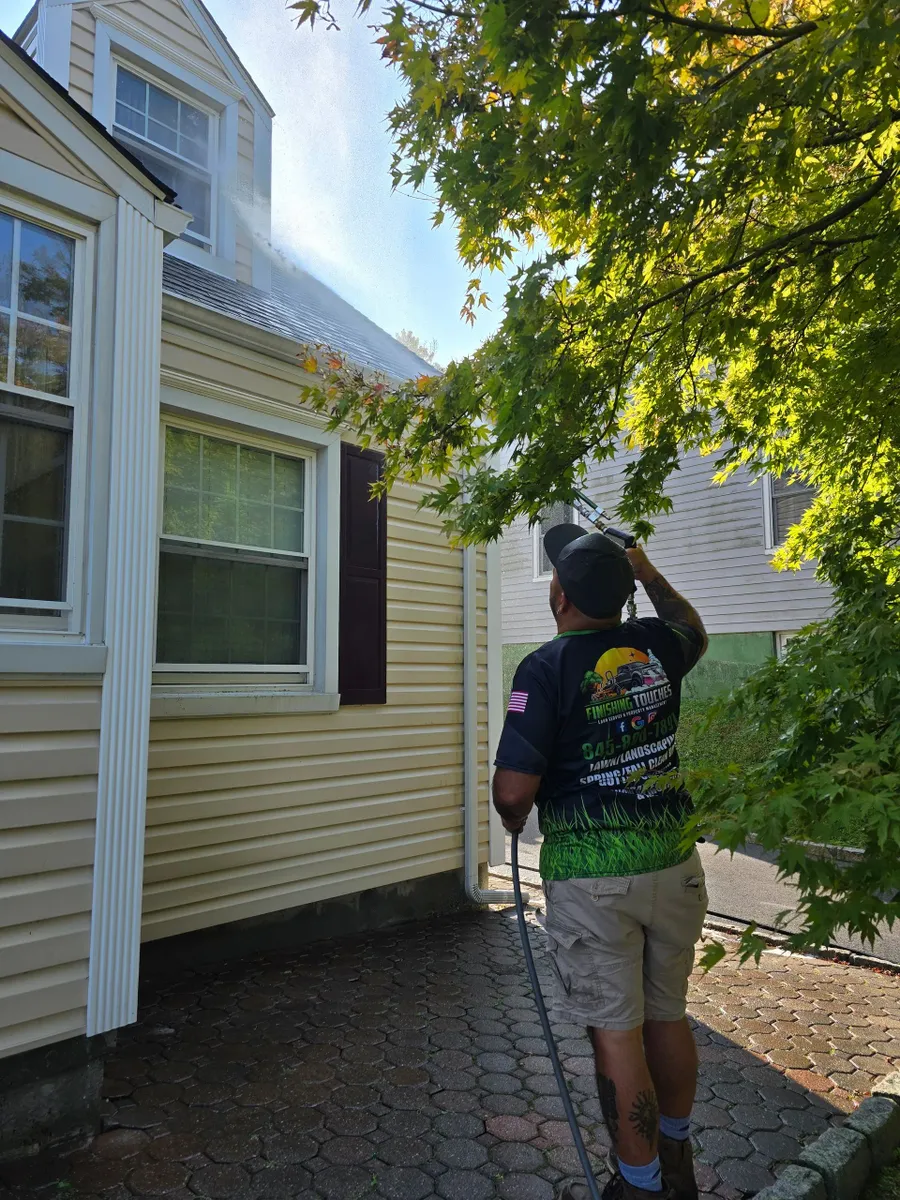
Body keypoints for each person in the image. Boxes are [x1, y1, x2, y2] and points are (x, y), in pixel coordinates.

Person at [493, 525, 710, 1200]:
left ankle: (638, 1186)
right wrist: (646, 570)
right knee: (667, 1015)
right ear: (622, 595)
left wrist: (512, 819)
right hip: (675, 867)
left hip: (596, 881)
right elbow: (691, 626)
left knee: (617, 1034)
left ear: (559, 595)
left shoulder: (544, 668)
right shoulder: (657, 646)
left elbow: (512, 790)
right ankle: (675, 1161)